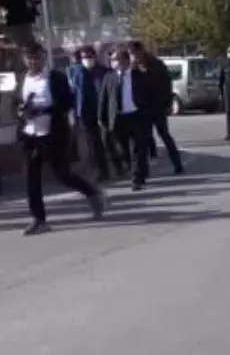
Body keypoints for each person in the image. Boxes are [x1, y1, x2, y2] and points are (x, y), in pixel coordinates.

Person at [18, 42, 105, 235]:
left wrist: (44, 110)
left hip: (53, 133)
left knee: (62, 175)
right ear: (25, 60)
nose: (34, 62)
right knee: (31, 178)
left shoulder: (55, 78)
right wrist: (22, 111)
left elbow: (66, 103)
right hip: (31, 134)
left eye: (37, 58)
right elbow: (18, 102)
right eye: (30, 59)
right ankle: (39, 219)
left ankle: (91, 192)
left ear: (43, 58)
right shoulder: (23, 79)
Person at [99, 49, 153, 190]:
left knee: (138, 148)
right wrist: (101, 118)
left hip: (136, 116)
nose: (114, 62)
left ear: (126, 61)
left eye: (117, 59)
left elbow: (148, 96)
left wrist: (148, 114)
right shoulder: (109, 77)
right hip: (118, 119)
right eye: (113, 60)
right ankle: (128, 167)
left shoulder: (139, 76)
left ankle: (137, 177)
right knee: (123, 149)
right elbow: (103, 99)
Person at [129, 41, 184, 173]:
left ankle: (177, 164)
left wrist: (168, 103)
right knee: (143, 140)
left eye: (135, 53)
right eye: (131, 54)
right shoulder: (132, 68)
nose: (134, 56)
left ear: (141, 51)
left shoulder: (156, 64)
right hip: (142, 108)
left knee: (164, 135)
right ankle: (144, 170)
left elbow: (167, 83)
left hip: (157, 106)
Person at [67, 46, 113, 181]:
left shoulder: (104, 71)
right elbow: (74, 93)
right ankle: (101, 171)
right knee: (93, 143)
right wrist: (75, 113)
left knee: (105, 141)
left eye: (89, 57)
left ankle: (116, 164)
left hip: (103, 112)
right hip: (85, 114)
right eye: (84, 57)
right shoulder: (77, 72)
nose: (87, 60)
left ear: (95, 57)